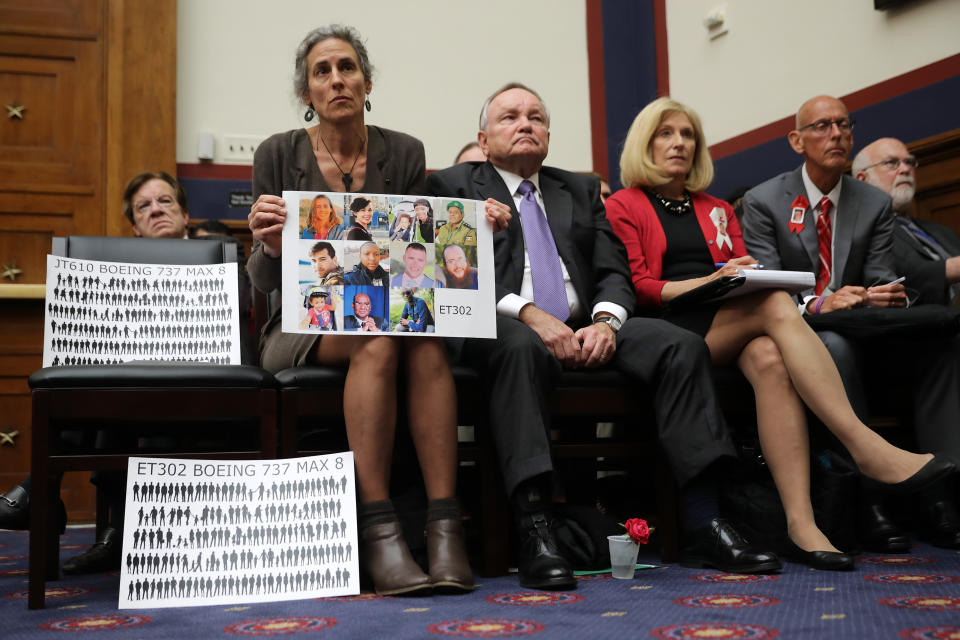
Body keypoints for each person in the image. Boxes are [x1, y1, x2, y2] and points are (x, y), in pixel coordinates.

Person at [427, 82, 782, 589]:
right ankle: (536, 529)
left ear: (548, 134)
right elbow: (454, 275)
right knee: (520, 346)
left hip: (587, 324)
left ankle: (705, 520)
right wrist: (529, 314)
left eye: (536, 116)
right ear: (483, 140)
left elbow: (614, 270)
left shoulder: (575, 187)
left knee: (679, 346)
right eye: (509, 117)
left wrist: (607, 322)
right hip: (502, 326)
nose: (525, 124)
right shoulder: (451, 185)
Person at [605, 97, 951, 570]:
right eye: (666, 134)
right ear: (644, 144)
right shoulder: (624, 204)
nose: (679, 143)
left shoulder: (717, 207)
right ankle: (863, 445)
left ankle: (800, 522)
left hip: (728, 316)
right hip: (672, 329)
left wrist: (741, 273)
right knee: (772, 306)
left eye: (688, 135)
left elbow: (746, 264)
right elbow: (640, 286)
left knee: (770, 356)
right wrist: (711, 281)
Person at [245, 25, 508, 595]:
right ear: (307, 92)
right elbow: (266, 281)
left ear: (366, 81)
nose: (336, 79)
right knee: (381, 335)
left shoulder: (405, 151)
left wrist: (473, 228)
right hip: (300, 322)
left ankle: (444, 525)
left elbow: (418, 254)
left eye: (347, 67)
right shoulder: (276, 153)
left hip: (385, 310)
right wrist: (268, 245)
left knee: (415, 331)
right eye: (322, 72)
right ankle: (379, 528)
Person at [742, 95, 960, 550]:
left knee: (942, 343)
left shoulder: (873, 202)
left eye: (843, 124)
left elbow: (882, 276)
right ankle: (870, 498)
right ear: (796, 140)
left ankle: (941, 491)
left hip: (863, 325)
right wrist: (822, 302)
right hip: (798, 329)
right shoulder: (764, 200)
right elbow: (763, 286)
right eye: (822, 126)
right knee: (836, 347)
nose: (836, 134)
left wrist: (884, 293)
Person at [853, 137, 960, 306]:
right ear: (862, 179)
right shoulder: (859, 233)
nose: (905, 169)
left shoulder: (942, 231)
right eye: (891, 163)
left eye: (909, 162)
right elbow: (900, 280)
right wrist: (953, 268)